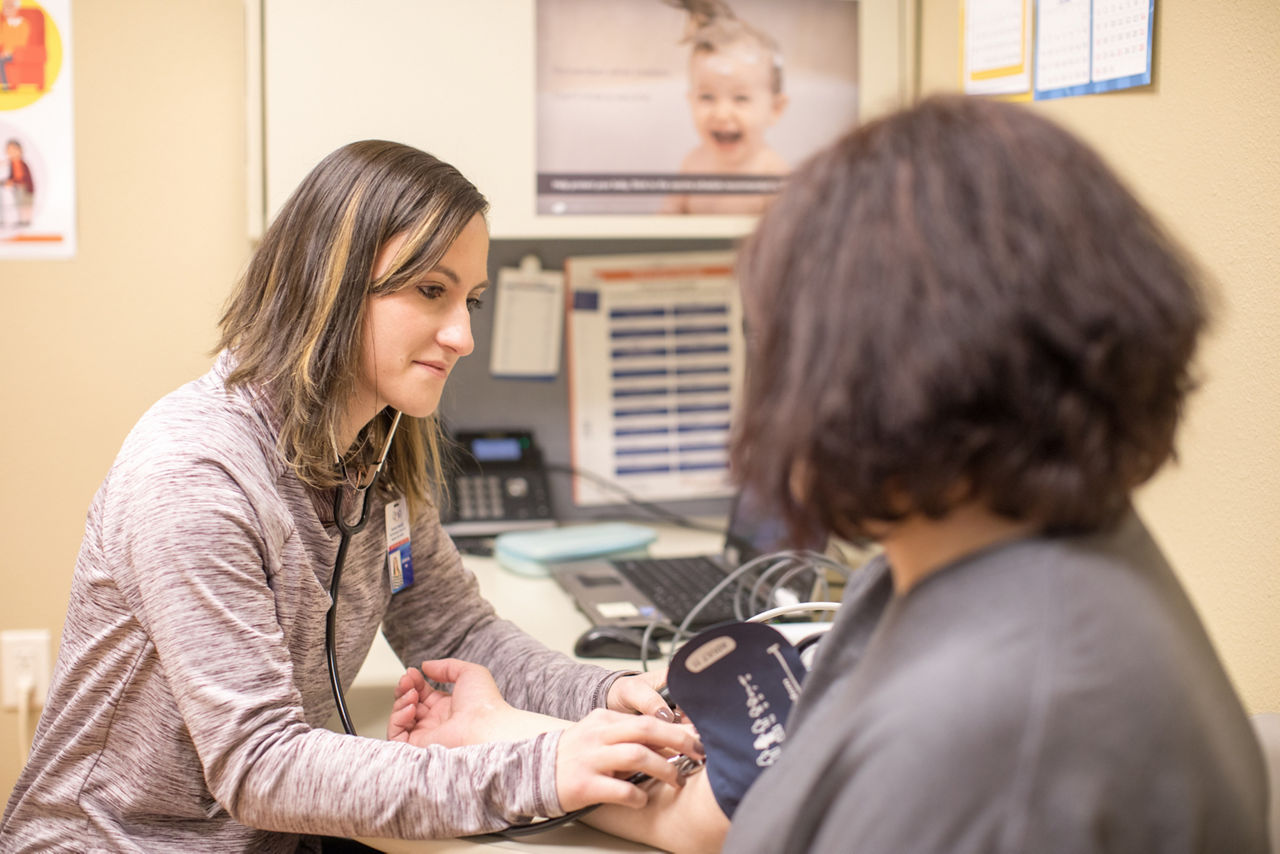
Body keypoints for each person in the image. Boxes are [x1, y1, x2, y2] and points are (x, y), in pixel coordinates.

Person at [392, 95, 1273, 853]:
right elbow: (750, 808)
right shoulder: (981, 563)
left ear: (863, 374)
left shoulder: (987, 731)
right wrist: (505, 735)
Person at [0, 140, 699, 853]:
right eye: (432, 290)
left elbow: (455, 633)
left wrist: (604, 693)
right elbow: (259, 765)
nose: (462, 336)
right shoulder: (193, 476)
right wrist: (541, 769)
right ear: (326, 282)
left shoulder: (373, 452)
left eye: (472, 300)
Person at [660, 0, 789, 215]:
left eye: (740, 98)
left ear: (775, 109)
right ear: (690, 101)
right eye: (707, 97)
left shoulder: (773, 174)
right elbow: (666, 218)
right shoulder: (692, 164)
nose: (721, 114)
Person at [2, 139, 33, 226]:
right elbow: (5, 163)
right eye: (8, 150)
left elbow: (19, 176)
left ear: (19, 150)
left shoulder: (18, 163)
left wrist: (10, 181)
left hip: (24, 188)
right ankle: (23, 220)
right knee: (21, 204)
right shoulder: (12, 162)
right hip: (19, 188)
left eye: (12, 150)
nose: (9, 152)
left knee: (25, 204)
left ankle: (25, 221)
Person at [0, 0, 29, 93]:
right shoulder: (5, 24)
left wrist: (8, 52)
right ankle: (5, 84)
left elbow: (22, 42)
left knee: (1, 61)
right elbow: (2, 39)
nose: (5, 10)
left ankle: (6, 85)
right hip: (6, 53)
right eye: (4, 7)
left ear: (16, 8)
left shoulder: (23, 24)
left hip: (19, 53)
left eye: (9, 7)